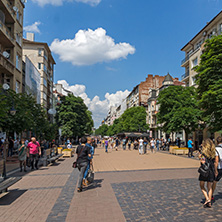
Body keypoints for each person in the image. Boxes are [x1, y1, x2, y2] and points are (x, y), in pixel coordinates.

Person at [198, 139, 216, 208]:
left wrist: (200, 157)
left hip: (204, 171)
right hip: (211, 170)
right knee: (209, 187)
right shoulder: (213, 153)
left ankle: (207, 199)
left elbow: (203, 162)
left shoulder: (203, 153)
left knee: (202, 186)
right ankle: (209, 201)